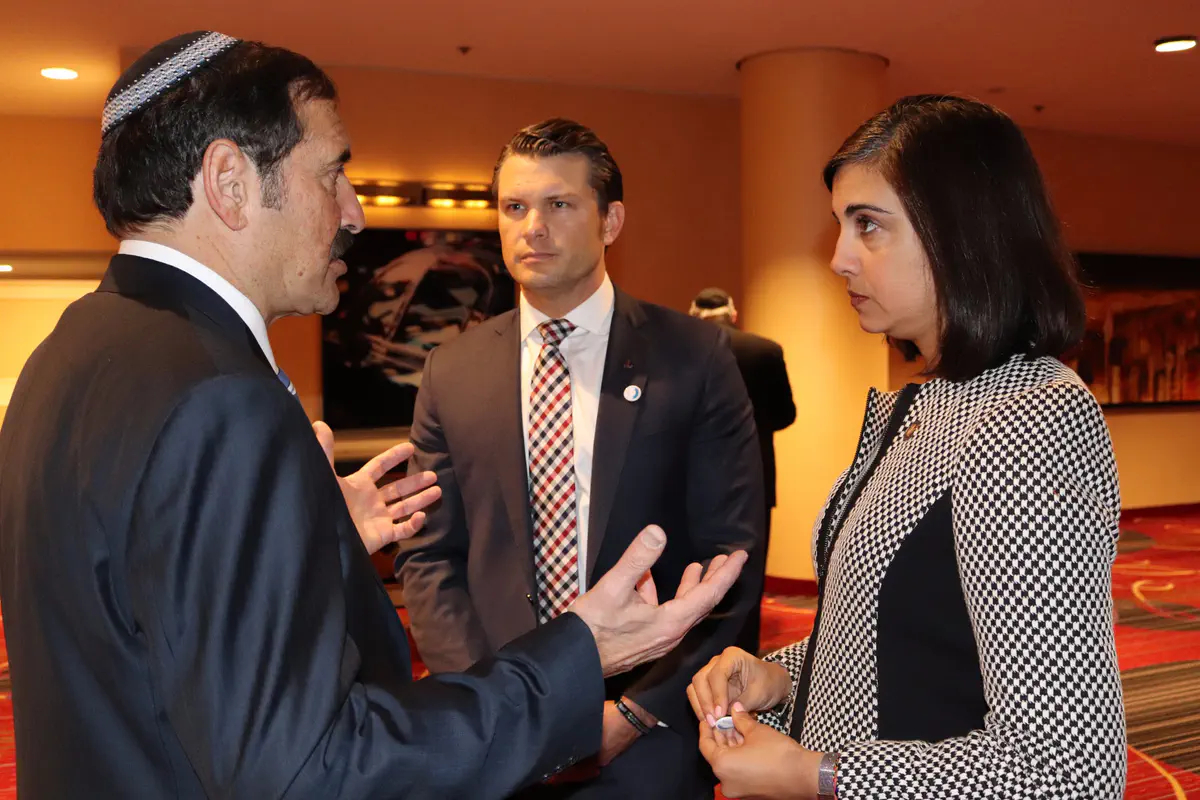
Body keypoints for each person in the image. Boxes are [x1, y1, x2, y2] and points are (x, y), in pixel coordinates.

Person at [0, 32, 748, 799]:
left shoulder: (70, 352)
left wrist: (308, 540)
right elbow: (310, 770)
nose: (353, 212)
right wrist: (577, 654)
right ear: (229, 181)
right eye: (333, 173)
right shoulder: (222, 397)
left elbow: (147, 627)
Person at [688, 95, 1126, 799]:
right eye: (841, 225)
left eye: (868, 225)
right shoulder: (941, 399)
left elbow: (1064, 769)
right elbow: (906, 645)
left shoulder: (1030, 417)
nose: (838, 258)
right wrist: (780, 677)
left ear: (962, 232)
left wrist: (815, 775)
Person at [395, 118, 765, 799]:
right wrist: (493, 703)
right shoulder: (452, 371)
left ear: (610, 220)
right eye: (514, 207)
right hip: (494, 732)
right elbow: (430, 556)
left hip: (648, 737)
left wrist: (635, 713)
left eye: (559, 204)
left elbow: (730, 560)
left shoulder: (695, 359)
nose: (532, 227)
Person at [689, 287, 796, 654]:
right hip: (756, 475)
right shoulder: (765, 351)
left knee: (694, 566)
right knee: (749, 567)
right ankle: (745, 650)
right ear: (733, 314)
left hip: (694, 479)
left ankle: (696, 650)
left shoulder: (683, 350)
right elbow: (785, 415)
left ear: (693, 313)